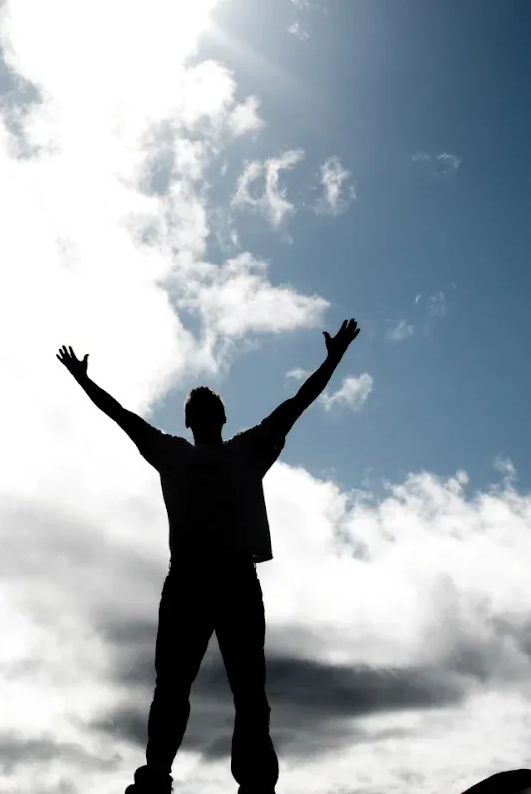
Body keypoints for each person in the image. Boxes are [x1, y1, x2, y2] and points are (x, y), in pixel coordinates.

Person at [56, 319, 361, 794]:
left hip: (219, 581)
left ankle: (229, 778)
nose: (204, 413)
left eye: (205, 407)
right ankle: (169, 774)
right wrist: (84, 381)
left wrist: (333, 359)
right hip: (200, 582)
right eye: (202, 408)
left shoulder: (225, 452)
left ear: (209, 418)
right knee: (192, 687)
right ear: (210, 418)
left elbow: (297, 404)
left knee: (229, 689)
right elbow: (122, 416)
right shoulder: (210, 453)